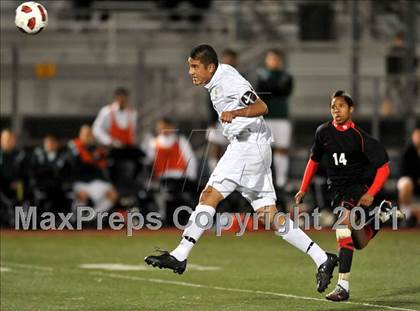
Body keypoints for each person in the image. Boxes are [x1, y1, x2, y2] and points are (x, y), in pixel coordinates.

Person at [145, 44, 338, 294]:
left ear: (210, 67)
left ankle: (180, 254)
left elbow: (261, 107)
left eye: (194, 67)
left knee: (209, 195)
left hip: (249, 146)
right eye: (189, 66)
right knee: (269, 215)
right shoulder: (216, 81)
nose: (191, 72)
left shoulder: (227, 79)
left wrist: (234, 113)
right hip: (251, 145)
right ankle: (322, 257)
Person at [294, 90, 403, 301]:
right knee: (359, 241)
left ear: (351, 109)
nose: (336, 110)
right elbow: (314, 160)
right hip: (335, 191)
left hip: (355, 188)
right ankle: (381, 217)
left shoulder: (360, 137)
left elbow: (384, 168)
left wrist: (371, 193)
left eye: (341, 106)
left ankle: (343, 286)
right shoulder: (323, 132)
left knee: (342, 227)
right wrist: (303, 187)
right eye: (333, 106)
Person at [145, 118, 198, 225]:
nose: (164, 129)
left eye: (166, 126)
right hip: (162, 178)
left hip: (180, 178)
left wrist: (191, 178)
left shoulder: (180, 141)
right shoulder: (153, 143)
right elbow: (148, 162)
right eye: (161, 127)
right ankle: (162, 218)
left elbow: (190, 159)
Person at [256, 49, 294, 190]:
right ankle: (263, 182)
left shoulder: (286, 76)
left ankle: (281, 181)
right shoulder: (260, 75)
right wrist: (275, 87)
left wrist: (272, 86)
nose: (274, 62)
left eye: (277, 59)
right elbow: (262, 91)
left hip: (281, 118)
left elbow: (285, 90)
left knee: (282, 149)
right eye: (271, 59)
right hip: (265, 117)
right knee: (262, 150)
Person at [68, 125, 118, 218]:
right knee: (82, 196)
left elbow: (103, 164)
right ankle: (74, 219)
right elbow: (73, 166)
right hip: (80, 182)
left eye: (89, 134)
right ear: (80, 135)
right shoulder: (74, 148)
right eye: (85, 134)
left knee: (113, 195)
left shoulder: (96, 149)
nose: (88, 137)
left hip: (95, 181)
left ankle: (93, 217)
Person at [397, 126, 420, 226]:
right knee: (406, 183)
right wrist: (416, 180)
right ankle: (406, 214)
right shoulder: (408, 151)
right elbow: (404, 172)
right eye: (417, 136)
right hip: (410, 182)